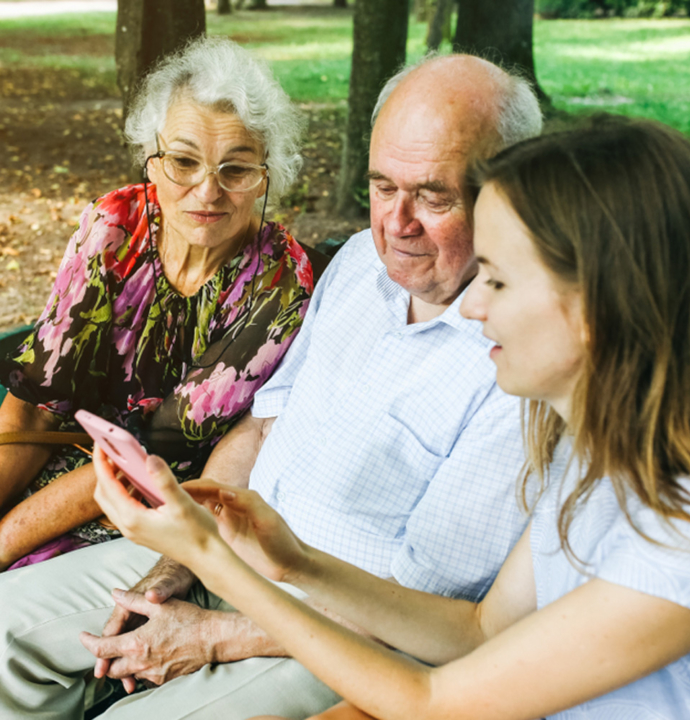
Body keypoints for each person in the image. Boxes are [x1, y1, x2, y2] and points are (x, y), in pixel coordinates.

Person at [93, 115, 690, 720]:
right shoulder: (599, 451)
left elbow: (437, 702)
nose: (472, 306)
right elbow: (482, 630)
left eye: (497, 282)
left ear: (597, 308)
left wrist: (208, 553)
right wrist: (295, 563)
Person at [0, 54, 542, 719]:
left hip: (340, 627)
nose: (397, 224)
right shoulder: (357, 267)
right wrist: (182, 562)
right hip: (220, 554)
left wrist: (219, 635)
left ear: (514, 190)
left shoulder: (520, 362)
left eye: (433, 195)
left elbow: (430, 612)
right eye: (381, 187)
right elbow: (260, 427)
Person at [0, 37, 314, 571]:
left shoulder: (279, 282)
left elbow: (148, 457)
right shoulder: (115, 227)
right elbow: (33, 408)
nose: (206, 191)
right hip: (60, 457)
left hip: (149, 503)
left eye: (235, 170)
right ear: (151, 160)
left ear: (268, 173)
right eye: (184, 161)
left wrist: (4, 542)